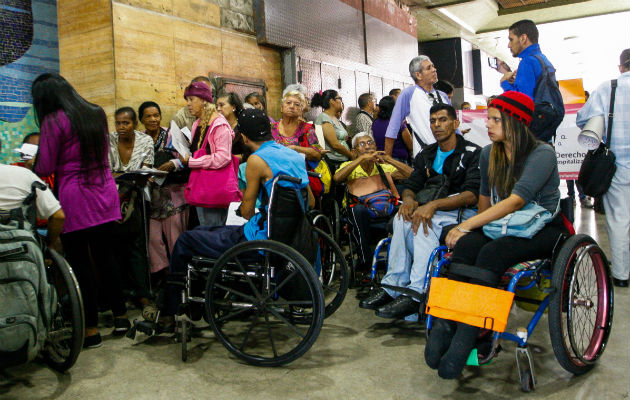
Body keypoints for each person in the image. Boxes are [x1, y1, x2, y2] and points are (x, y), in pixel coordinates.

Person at [425, 91, 567, 379]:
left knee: (492, 253)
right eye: (488, 118)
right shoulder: (490, 153)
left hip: (543, 228)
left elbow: (516, 201)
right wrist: (470, 230)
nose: (486, 124)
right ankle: (445, 322)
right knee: (464, 249)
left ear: (514, 121)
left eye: (494, 119)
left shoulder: (542, 153)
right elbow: (485, 201)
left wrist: (466, 224)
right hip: (503, 223)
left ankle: (468, 335)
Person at [158, 108, 311, 328]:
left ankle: (170, 310)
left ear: (245, 137)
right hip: (287, 236)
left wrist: (247, 209)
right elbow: (310, 203)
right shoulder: (295, 156)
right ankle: (204, 300)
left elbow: (247, 211)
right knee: (205, 234)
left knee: (187, 239)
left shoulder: (257, 161)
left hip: (258, 240)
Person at [32, 73, 129, 348]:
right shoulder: (95, 112)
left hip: (76, 195)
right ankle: (121, 316)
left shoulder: (54, 120)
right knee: (106, 256)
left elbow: (46, 167)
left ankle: (91, 330)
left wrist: (31, 159)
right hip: (105, 190)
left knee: (80, 263)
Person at [360, 104, 481, 319]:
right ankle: (392, 287)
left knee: (425, 221)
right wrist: (407, 201)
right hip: (431, 208)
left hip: (461, 212)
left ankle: (416, 293)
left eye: (443, 120)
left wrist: (433, 206)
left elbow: (472, 194)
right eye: (433, 121)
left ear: (455, 123)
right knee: (401, 217)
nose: (437, 125)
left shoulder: (472, 153)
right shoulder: (427, 154)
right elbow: (412, 185)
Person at [576, 48, 630, 288]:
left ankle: (621, 275)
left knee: (619, 221)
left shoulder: (608, 88)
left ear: (620, 67)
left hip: (617, 167)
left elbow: (582, 120)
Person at [334, 132, 412, 272]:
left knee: (405, 210)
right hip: (359, 210)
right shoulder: (349, 165)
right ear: (354, 151)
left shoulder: (382, 167)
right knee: (358, 210)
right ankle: (365, 261)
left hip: (384, 209)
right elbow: (337, 178)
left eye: (370, 143)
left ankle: (402, 261)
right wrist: (360, 159)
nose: (367, 147)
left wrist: (389, 160)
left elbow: (412, 175)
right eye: (362, 144)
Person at [139, 101, 189, 294]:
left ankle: (179, 281)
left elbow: (186, 157)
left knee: (174, 238)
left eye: (156, 115)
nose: (153, 119)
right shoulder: (140, 138)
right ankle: (163, 275)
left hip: (173, 194)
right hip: (152, 197)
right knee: (153, 240)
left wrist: (172, 163)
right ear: (141, 120)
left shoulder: (171, 134)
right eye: (148, 116)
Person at [109, 106, 155, 318]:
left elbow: (144, 173)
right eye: (118, 123)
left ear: (135, 124)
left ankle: (143, 294)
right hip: (110, 201)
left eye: (126, 123)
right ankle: (119, 294)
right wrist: (126, 177)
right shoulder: (109, 141)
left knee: (137, 248)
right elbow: (106, 172)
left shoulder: (145, 141)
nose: (121, 127)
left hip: (136, 201)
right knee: (114, 248)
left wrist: (122, 179)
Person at [179, 81, 234, 227]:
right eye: (187, 100)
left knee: (213, 232)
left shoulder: (219, 125)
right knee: (204, 230)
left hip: (214, 189)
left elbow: (223, 157)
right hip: (202, 187)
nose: (188, 104)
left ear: (204, 100)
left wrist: (192, 162)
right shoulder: (198, 123)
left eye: (191, 99)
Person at [0, 138, 65, 252]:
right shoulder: (19, 171)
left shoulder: (54, 174)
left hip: (40, 231)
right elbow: (58, 216)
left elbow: (58, 216)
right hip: (27, 237)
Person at [385, 56, 451, 158]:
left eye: (433, 66)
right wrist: (387, 159)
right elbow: (393, 126)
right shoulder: (409, 94)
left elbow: (454, 125)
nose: (434, 69)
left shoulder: (443, 96)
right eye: (429, 68)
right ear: (418, 75)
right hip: (426, 156)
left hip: (450, 154)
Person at [499, 20, 556, 101]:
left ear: (523, 38)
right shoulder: (542, 59)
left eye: (511, 40)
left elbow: (523, 102)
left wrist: (504, 83)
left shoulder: (527, 62)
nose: (509, 45)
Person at [272, 90, 322, 161]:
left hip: (299, 169)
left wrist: (295, 148)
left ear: (301, 110)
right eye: (288, 103)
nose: (292, 106)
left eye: (297, 104)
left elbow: (317, 154)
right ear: (281, 108)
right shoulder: (272, 128)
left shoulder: (307, 128)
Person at [312, 89, 353, 171]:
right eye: (340, 98)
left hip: (342, 160)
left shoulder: (334, 118)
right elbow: (335, 145)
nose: (342, 101)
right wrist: (351, 155)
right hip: (334, 162)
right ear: (332, 101)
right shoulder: (324, 118)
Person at [371, 96, 411, 164]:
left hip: (381, 160)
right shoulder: (398, 123)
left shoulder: (375, 123)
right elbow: (410, 145)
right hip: (398, 161)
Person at [216, 92, 247, 161]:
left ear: (233, 107)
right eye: (217, 106)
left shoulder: (243, 127)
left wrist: (226, 158)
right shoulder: (218, 126)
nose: (218, 109)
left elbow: (247, 155)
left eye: (221, 105)